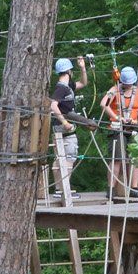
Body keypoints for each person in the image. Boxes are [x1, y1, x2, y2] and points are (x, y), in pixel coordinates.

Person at [100, 66, 138, 200]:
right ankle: (111, 188)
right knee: (117, 158)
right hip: (117, 127)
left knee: (136, 157)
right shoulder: (114, 90)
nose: (127, 85)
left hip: (133, 127)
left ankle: (134, 187)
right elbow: (104, 104)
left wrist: (135, 120)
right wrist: (117, 117)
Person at [49, 56, 89, 202]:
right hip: (64, 127)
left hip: (58, 127)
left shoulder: (67, 86)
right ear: (68, 71)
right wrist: (65, 122)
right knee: (69, 156)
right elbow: (53, 105)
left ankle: (59, 190)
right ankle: (63, 189)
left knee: (59, 157)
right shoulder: (61, 88)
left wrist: (83, 68)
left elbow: (83, 83)